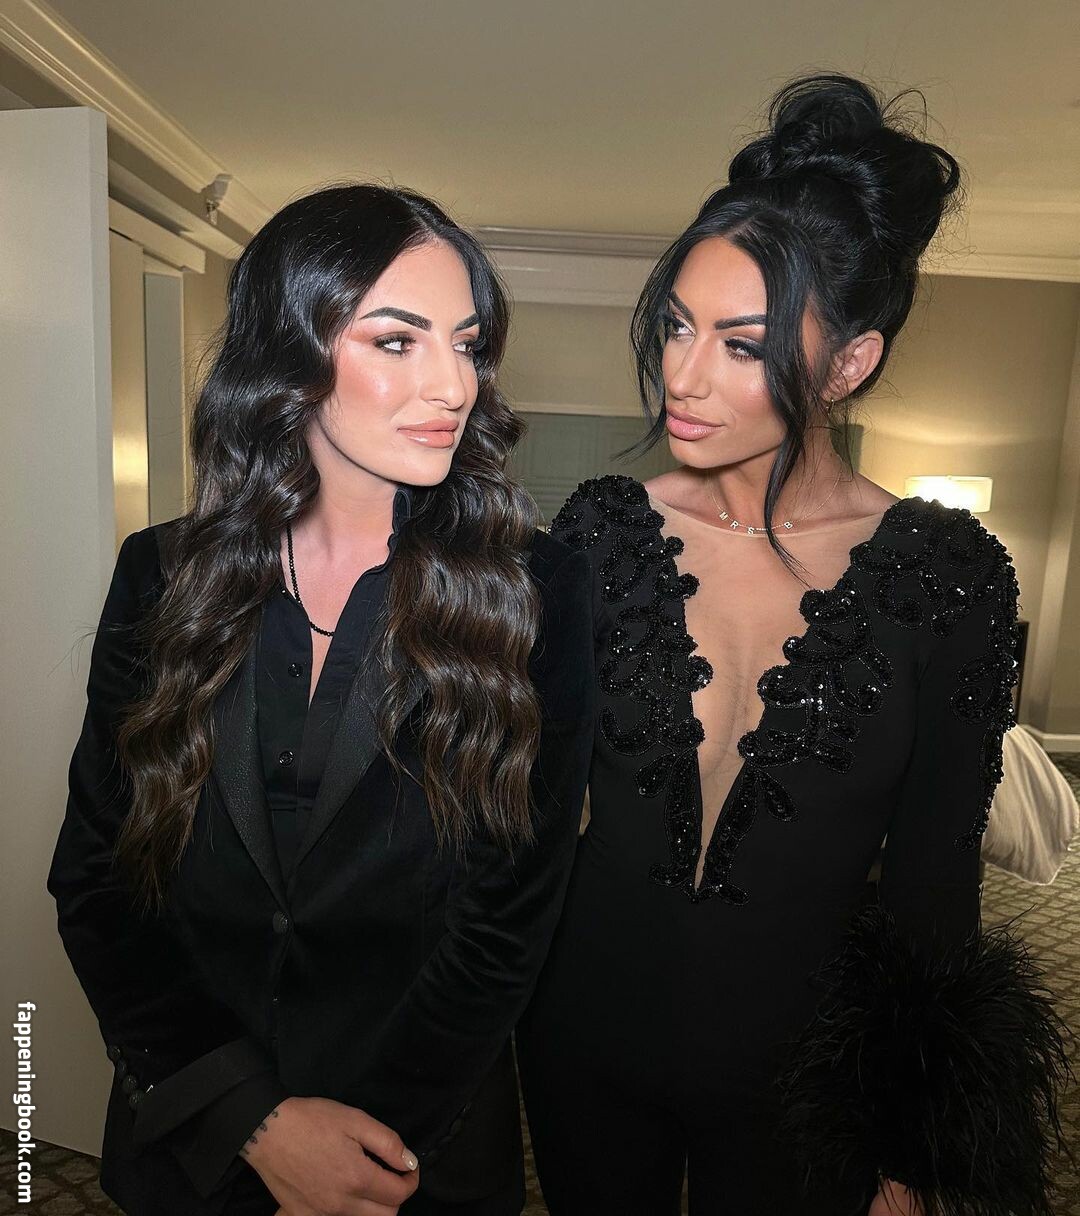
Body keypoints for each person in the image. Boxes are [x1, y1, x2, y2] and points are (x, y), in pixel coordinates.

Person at [517, 76, 1067, 1216]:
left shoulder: (946, 577)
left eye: (740, 343)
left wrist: (914, 1147)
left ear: (848, 363)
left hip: (806, 1075)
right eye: (677, 325)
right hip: (582, 1035)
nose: (681, 374)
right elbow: (515, 805)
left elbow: (933, 881)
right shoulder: (600, 532)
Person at [48, 184, 595, 1216]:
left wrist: (363, 1151)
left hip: (412, 1154)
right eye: (397, 341)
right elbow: (97, 879)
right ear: (288, 357)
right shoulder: (162, 575)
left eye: (467, 344)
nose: (453, 384)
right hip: (195, 1145)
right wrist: (250, 1119)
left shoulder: (537, 592)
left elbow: (510, 918)